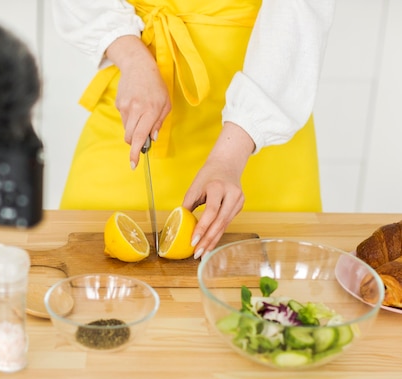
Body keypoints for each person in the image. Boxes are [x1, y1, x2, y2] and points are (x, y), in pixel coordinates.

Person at [52, 0, 335, 259]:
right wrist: (133, 60)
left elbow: (299, 15)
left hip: (266, 110)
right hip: (140, 94)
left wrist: (229, 156)